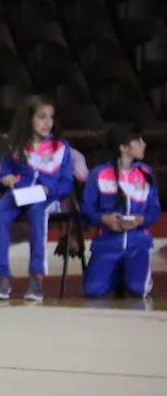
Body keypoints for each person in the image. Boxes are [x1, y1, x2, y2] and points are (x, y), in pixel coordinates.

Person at [0, 95, 74, 302]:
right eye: (42, 117)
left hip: (44, 198)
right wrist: (5, 181)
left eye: (51, 117)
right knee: (0, 211)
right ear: (29, 120)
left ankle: (35, 277)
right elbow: (1, 180)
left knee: (37, 212)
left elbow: (66, 183)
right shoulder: (15, 147)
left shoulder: (61, 148)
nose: (48, 123)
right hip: (17, 194)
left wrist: (49, 190)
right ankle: (1, 277)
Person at [82, 124, 161, 298]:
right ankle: (117, 273)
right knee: (93, 291)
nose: (144, 144)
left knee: (138, 290)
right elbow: (87, 210)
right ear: (123, 148)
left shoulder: (146, 172)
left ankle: (128, 274)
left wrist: (142, 219)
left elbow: (155, 210)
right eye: (138, 141)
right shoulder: (99, 174)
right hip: (107, 243)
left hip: (138, 243)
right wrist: (103, 219)